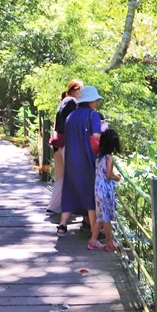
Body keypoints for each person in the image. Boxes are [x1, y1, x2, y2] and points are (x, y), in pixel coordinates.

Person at [57, 85, 104, 240]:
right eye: (95, 100)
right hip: (87, 158)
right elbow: (96, 137)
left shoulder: (71, 116)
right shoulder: (93, 115)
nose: (96, 103)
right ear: (91, 101)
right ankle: (94, 232)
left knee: (70, 191)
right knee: (90, 193)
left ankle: (62, 226)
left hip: (71, 159)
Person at [47, 79, 83, 215]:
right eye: (81, 90)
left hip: (58, 145)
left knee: (60, 178)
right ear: (74, 90)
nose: (82, 93)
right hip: (67, 144)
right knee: (73, 176)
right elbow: (73, 123)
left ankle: (54, 207)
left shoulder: (63, 102)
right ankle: (75, 208)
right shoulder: (72, 102)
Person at [91, 128, 122, 252]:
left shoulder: (99, 156)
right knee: (106, 218)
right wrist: (117, 177)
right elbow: (109, 174)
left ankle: (93, 240)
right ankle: (109, 243)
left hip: (97, 188)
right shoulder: (109, 157)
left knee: (100, 216)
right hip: (105, 189)